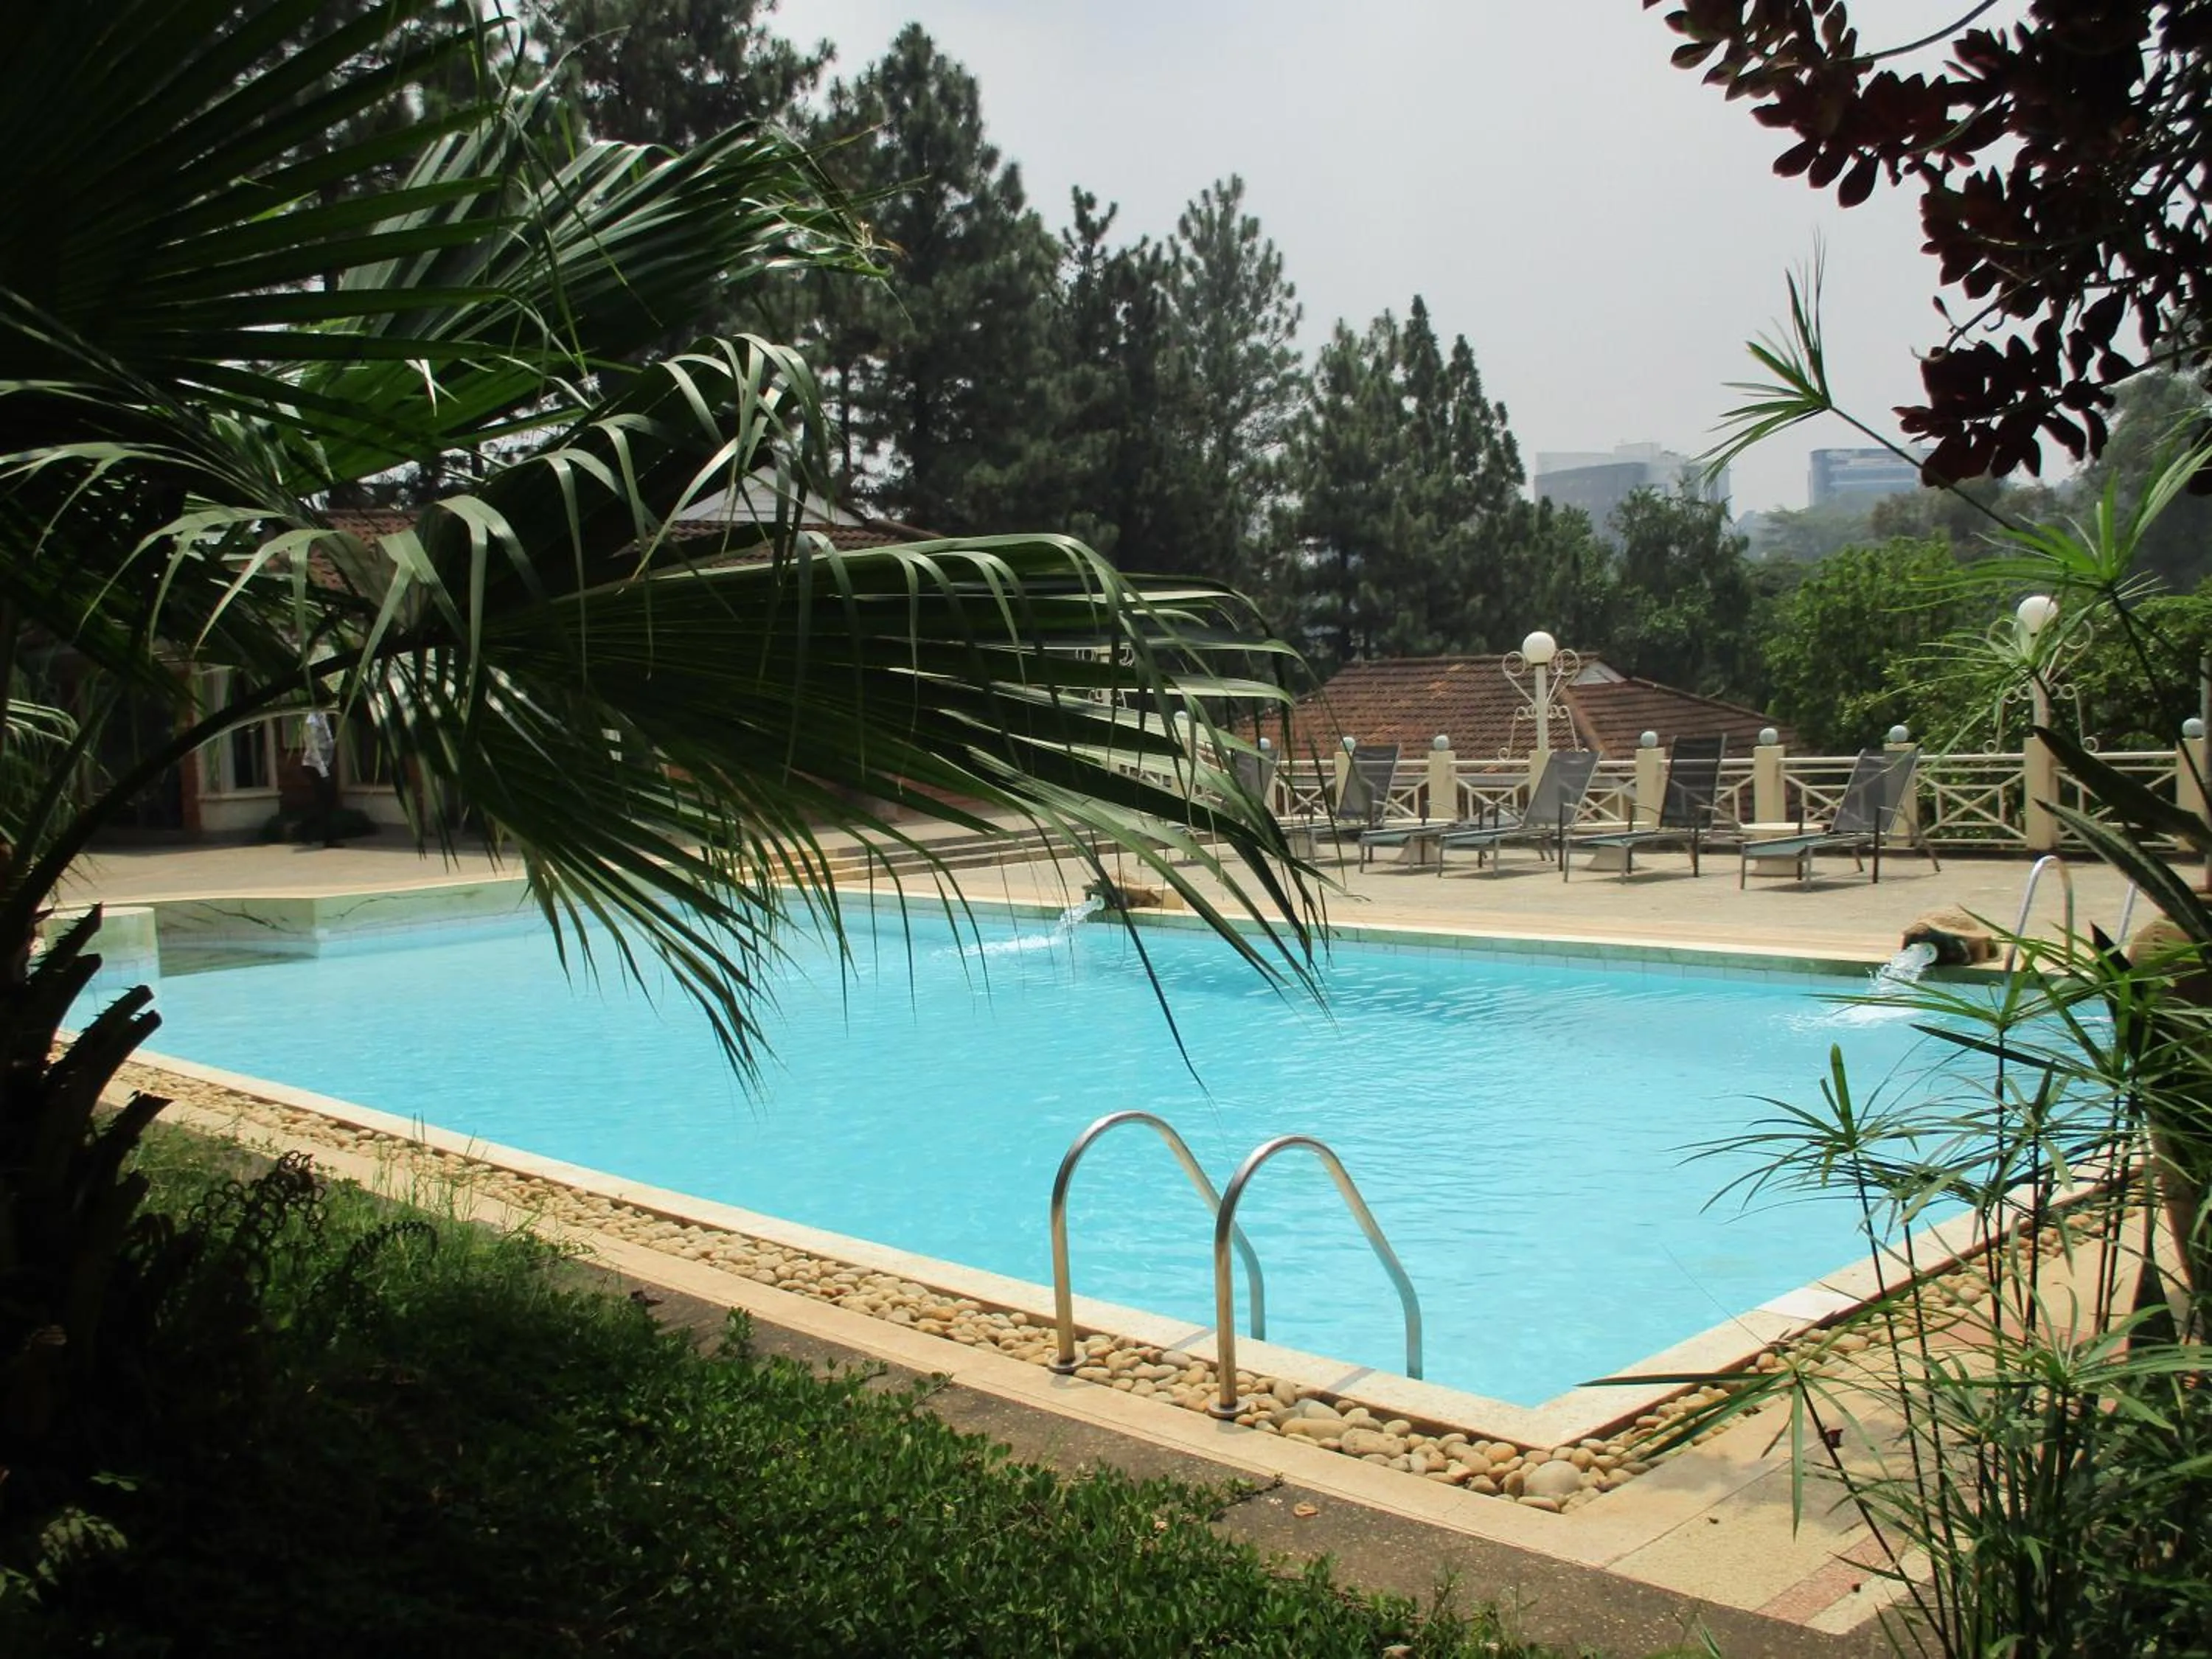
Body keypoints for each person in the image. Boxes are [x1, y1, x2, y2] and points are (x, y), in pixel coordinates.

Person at [301, 709, 339, 847]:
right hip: (314, 765)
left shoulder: (323, 715)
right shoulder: (312, 719)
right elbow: (313, 748)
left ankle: (323, 836)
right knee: (324, 802)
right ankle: (313, 833)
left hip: (325, 763)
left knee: (327, 802)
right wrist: (324, 773)